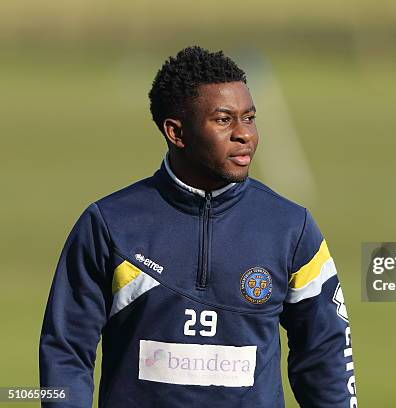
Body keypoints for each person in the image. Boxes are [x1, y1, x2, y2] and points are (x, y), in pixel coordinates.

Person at [39, 46, 357, 408]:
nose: (245, 135)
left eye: (249, 118)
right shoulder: (110, 224)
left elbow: (325, 354)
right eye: (224, 120)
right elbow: (66, 351)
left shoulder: (291, 227)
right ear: (176, 132)